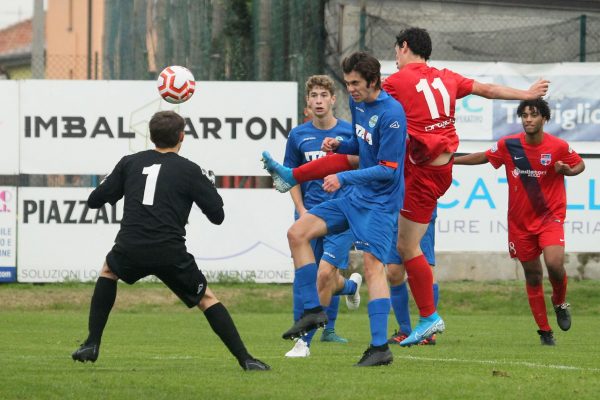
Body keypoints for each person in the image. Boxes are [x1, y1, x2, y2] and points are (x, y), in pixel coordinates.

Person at [263, 28, 550, 346]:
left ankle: (426, 319)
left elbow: (375, 100)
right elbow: (489, 89)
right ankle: (294, 175)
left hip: (417, 175)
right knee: (396, 255)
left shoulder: (397, 84)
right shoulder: (446, 76)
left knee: (400, 249)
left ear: (404, 47)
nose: (395, 59)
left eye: (396, 51)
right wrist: (527, 94)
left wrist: (356, 135)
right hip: (432, 170)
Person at [71, 110, 270, 371]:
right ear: (181, 137)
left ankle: (92, 343)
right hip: (170, 251)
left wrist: (115, 185)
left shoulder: (129, 162)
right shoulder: (190, 170)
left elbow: (94, 200)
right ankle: (246, 359)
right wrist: (208, 184)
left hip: (132, 246)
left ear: (151, 136)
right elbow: (217, 216)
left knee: (108, 272)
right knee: (207, 299)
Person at [268, 52, 407, 367]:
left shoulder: (392, 114)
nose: (351, 89)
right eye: (347, 83)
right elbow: (361, 148)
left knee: (373, 268)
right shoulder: (358, 105)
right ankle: (313, 311)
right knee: (297, 232)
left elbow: (387, 169)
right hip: (355, 197)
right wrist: (339, 146)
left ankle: (379, 348)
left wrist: (342, 176)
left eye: (355, 83)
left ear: (372, 81)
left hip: (380, 204)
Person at [454, 98, 584, 345]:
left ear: (544, 118)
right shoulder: (509, 144)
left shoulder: (558, 146)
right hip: (520, 223)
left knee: (555, 264)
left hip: (550, 217)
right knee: (533, 275)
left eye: (533, 115)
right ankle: (545, 332)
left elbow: (580, 165)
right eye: (524, 115)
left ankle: (559, 301)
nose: (528, 119)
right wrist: (452, 161)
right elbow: (484, 156)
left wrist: (567, 170)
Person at [282, 75, 362, 358]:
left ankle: (305, 341)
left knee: (325, 274)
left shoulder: (347, 134)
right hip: (309, 215)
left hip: (341, 214)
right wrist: (301, 210)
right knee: (306, 278)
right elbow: (291, 177)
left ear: (332, 99)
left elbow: (358, 168)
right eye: (313, 95)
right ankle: (350, 287)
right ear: (308, 101)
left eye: (323, 95)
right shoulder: (298, 135)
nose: (318, 100)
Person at [387, 211, 438, 345]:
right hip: (396, 212)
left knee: (425, 267)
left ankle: (429, 331)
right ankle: (404, 330)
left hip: (420, 209)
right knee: (393, 273)